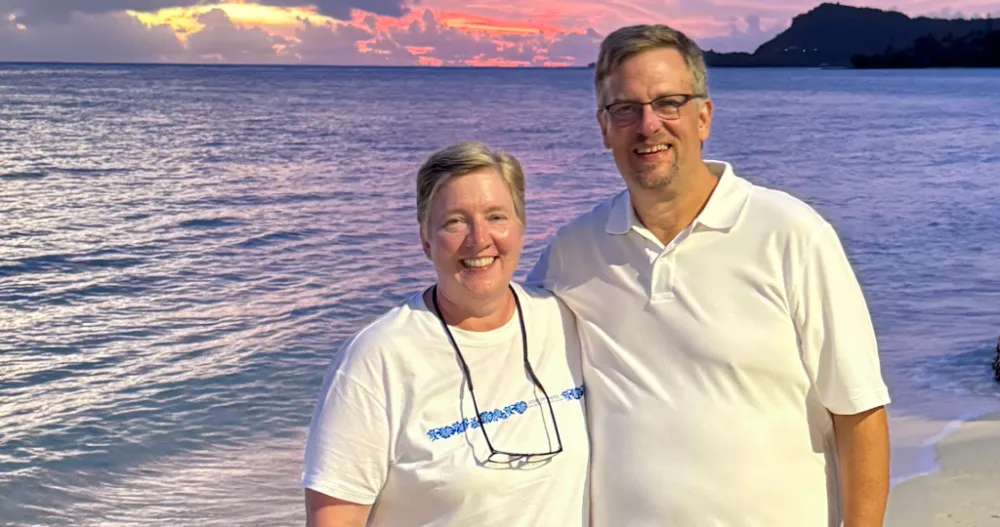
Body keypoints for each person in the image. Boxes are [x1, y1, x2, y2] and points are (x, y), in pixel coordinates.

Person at [525, 24, 892, 527]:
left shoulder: (789, 233)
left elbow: (860, 412)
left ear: (703, 117)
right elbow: (502, 352)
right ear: (604, 127)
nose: (648, 124)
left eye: (669, 102)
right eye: (625, 109)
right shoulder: (574, 252)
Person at [301, 141, 589, 527]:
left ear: (521, 227)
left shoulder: (565, 320)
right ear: (425, 240)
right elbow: (335, 519)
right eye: (455, 221)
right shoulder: (378, 359)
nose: (479, 239)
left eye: (497, 216)